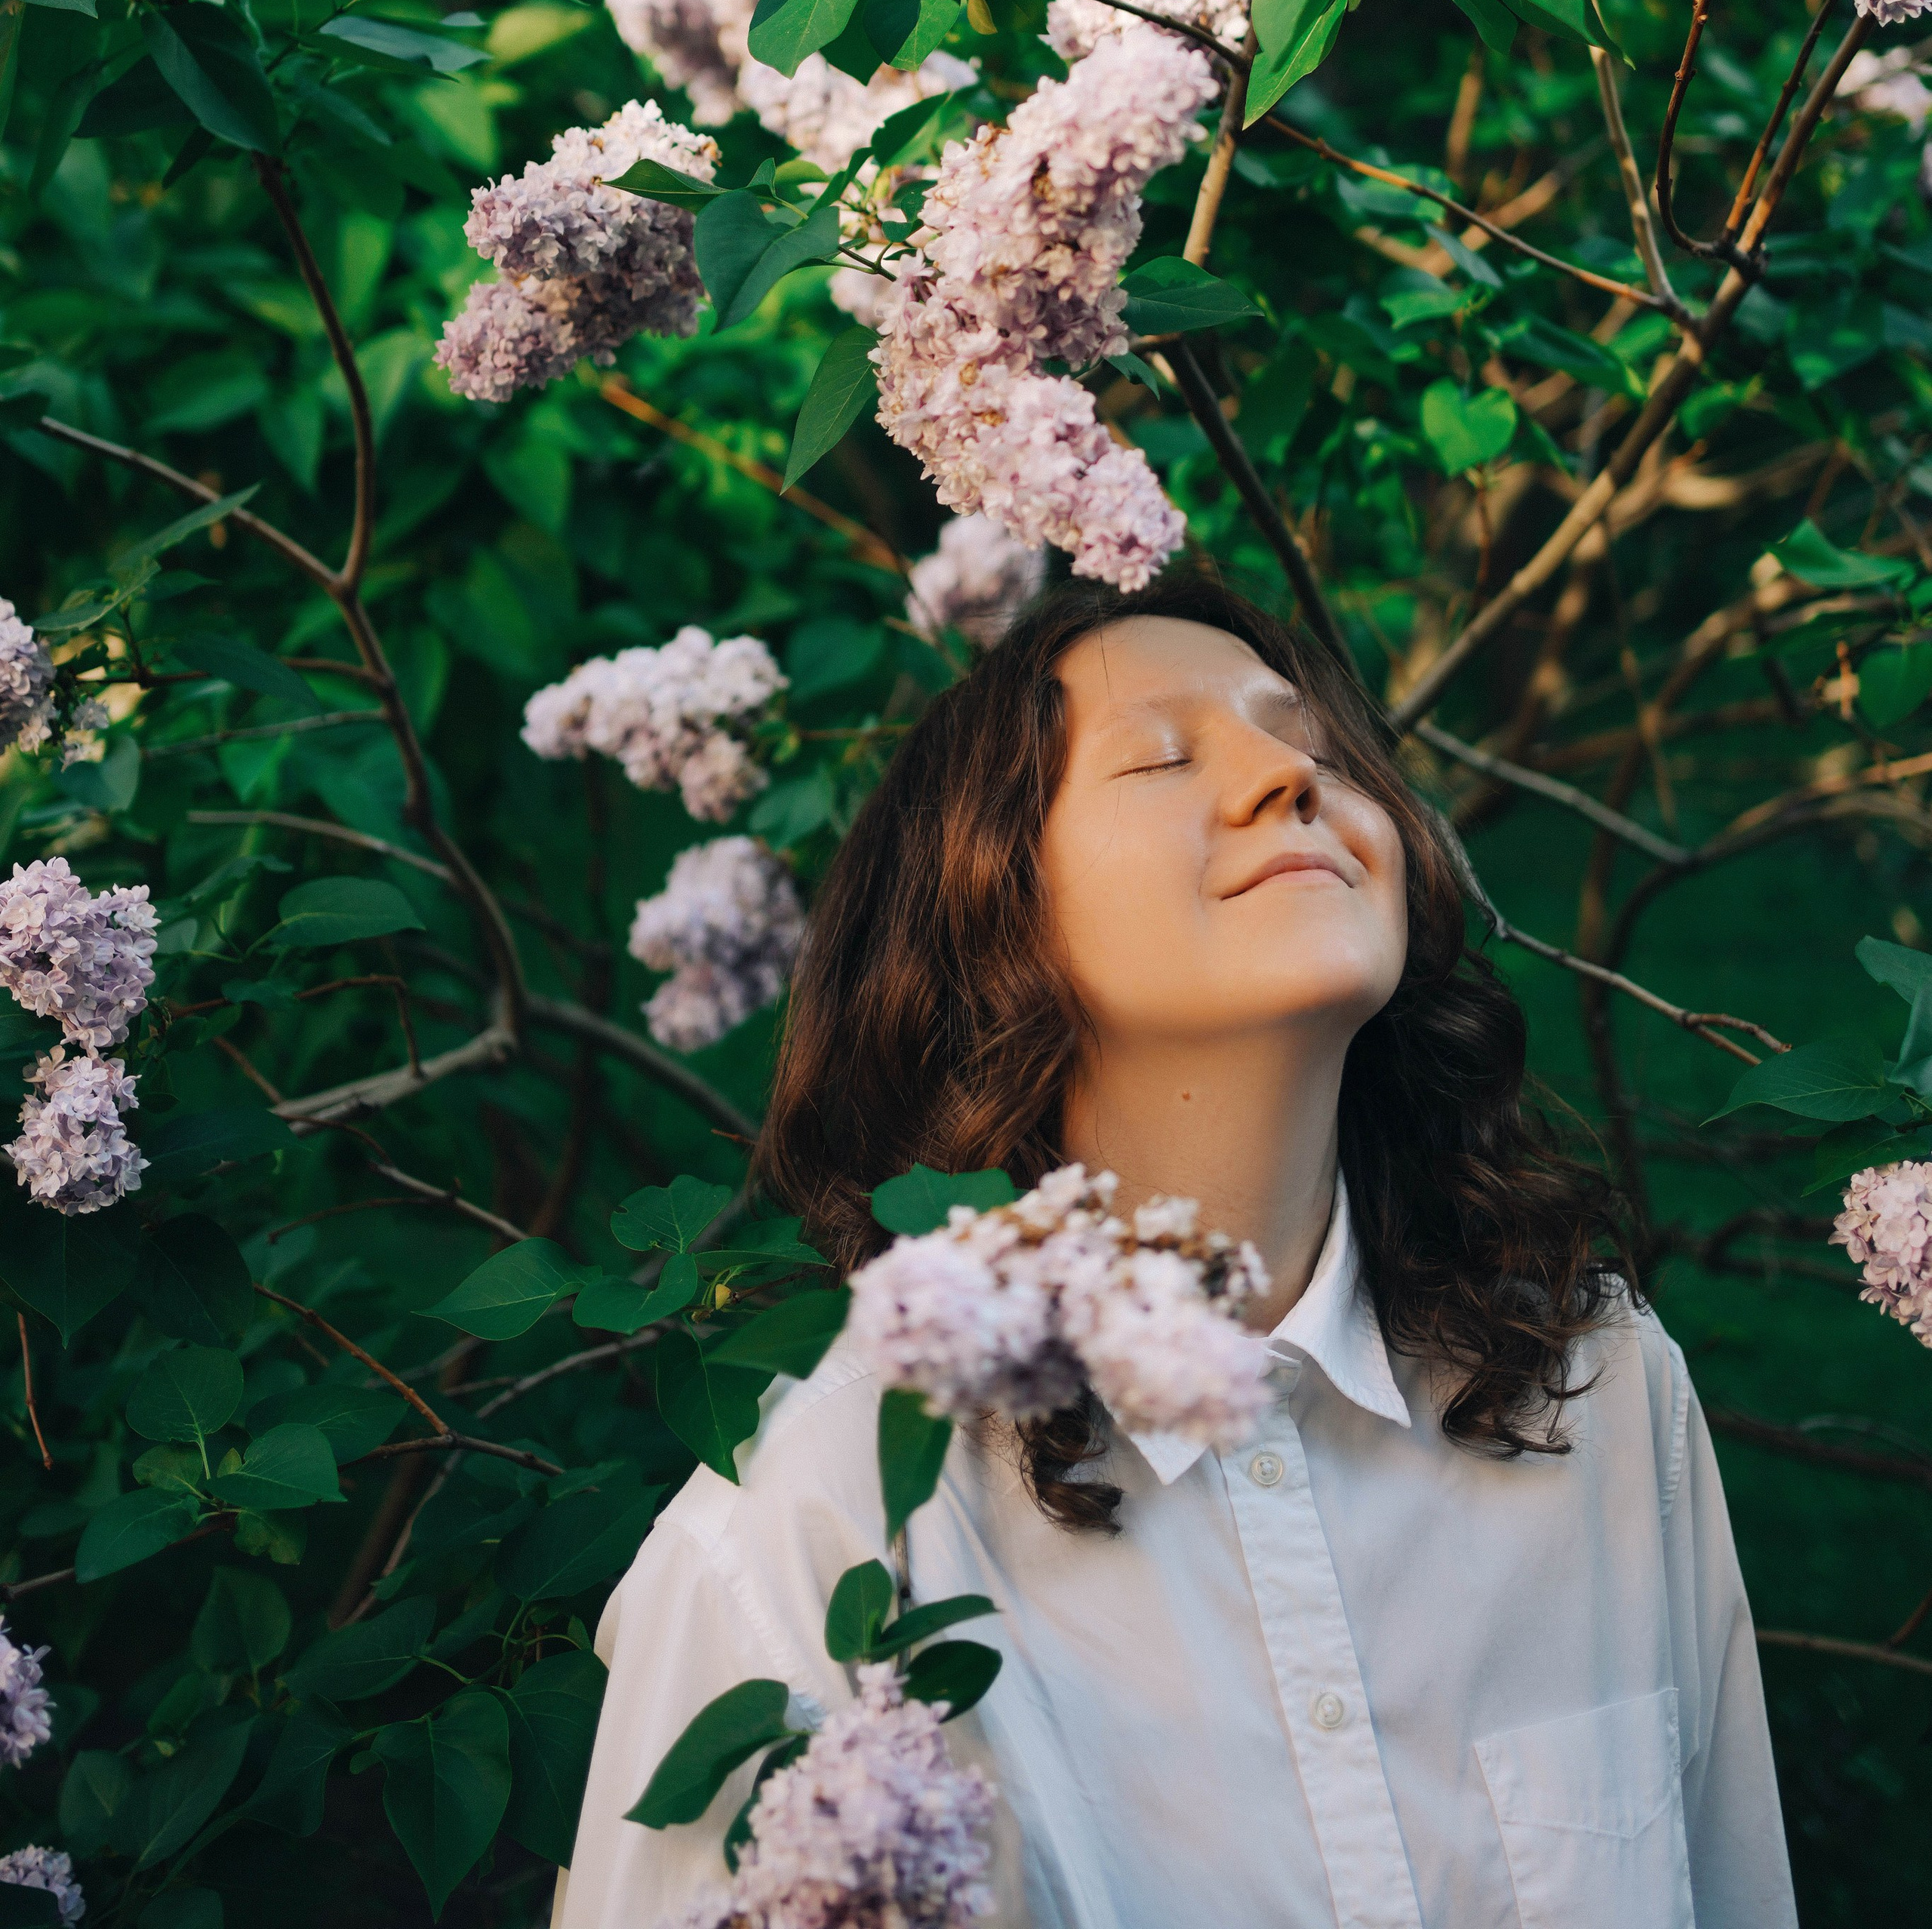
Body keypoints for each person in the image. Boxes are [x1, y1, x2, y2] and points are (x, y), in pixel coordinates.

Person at [557, 576, 1795, 1929]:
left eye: (1321, 749)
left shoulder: (1597, 1382)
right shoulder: (818, 1518)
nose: (1289, 777)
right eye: (1161, 753)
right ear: (991, 915)